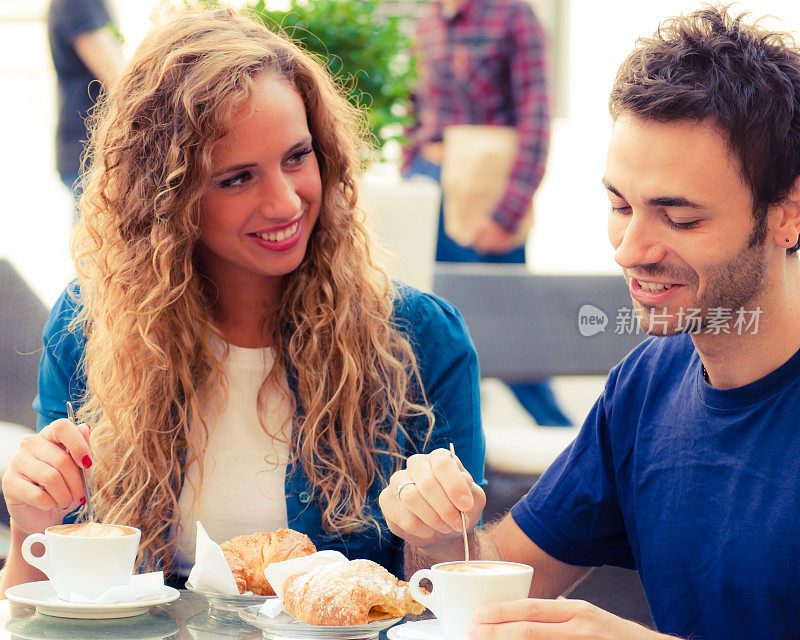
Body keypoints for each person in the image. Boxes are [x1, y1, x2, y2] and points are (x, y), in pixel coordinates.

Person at [0, 8, 484, 593]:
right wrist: (35, 520)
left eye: (297, 157)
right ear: (166, 199)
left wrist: (436, 540)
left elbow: (458, 602)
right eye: (236, 178)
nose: (285, 203)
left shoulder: (420, 339)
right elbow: (42, 605)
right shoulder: (87, 330)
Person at [380, 5, 800, 639]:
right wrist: (440, 537)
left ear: (788, 213)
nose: (630, 249)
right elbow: (495, 579)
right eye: (619, 205)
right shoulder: (645, 388)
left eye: (680, 219)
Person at [403, 0, 570, 426]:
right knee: (431, 329)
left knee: (507, 328)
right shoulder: (427, 20)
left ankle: (569, 442)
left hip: (485, 195)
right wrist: (410, 173)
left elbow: (535, 119)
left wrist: (507, 214)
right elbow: (413, 110)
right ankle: (454, 452)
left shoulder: (512, 14)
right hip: (428, 188)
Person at [47, 0, 125, 209]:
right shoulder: (78, 3)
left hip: (92, 150)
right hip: (89, 151)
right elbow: (117, 78)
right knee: (95, 239)